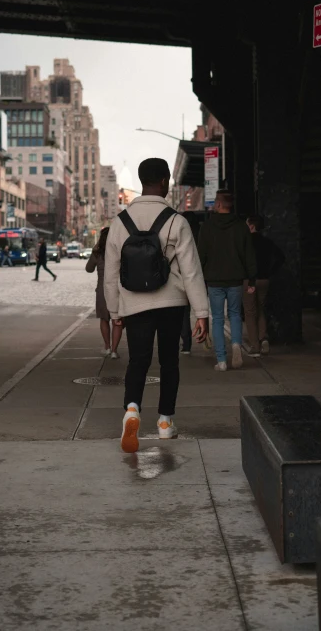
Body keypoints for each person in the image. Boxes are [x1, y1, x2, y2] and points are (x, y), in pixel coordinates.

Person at [104, 158, 209, 453]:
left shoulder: (119, 223)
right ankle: (165, 422)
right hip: (171, 303)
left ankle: (132, 409)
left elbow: (111, 274)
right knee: (169, 362)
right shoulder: (177, 221)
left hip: (134, 305)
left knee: (138, 360)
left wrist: (115, 312)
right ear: (164, 181)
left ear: (141, 181)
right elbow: (191, 271)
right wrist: (202, 313)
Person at [198, 190, 257, 371]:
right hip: (236, 279)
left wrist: (199, 278)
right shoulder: (241, 226)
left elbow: (201, 255)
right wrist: (252, 280)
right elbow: (249, 255)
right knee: (235, 315)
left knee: (217, 318)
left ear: (218, 204)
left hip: (214, 280)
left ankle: (222, 361)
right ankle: (236, 345)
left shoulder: (207, 227)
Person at [244, 215, 285, 356]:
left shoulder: (246, 242)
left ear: (251, 226)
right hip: (264, 280)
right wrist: (270, 272)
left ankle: (254, 346)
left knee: (250, 313)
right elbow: (281, 257)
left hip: (249, 281)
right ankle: (264, 339)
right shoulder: (268, 242)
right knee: (261, 310)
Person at [86, 227, 123, 360]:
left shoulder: (97, 252)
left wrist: (94, 252)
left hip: (102, 289)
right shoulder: (120, 251)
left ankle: (107, 347)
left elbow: (89, 269)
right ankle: (114, 350)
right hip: (117, 288)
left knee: (104, 318)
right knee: (117, 319)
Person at [180, 210, 201, 355]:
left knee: (184, 313)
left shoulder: (182, 235)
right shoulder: (201, 234)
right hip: (201, 277)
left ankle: (186, 344)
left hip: (183, 277)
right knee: (208, 312)